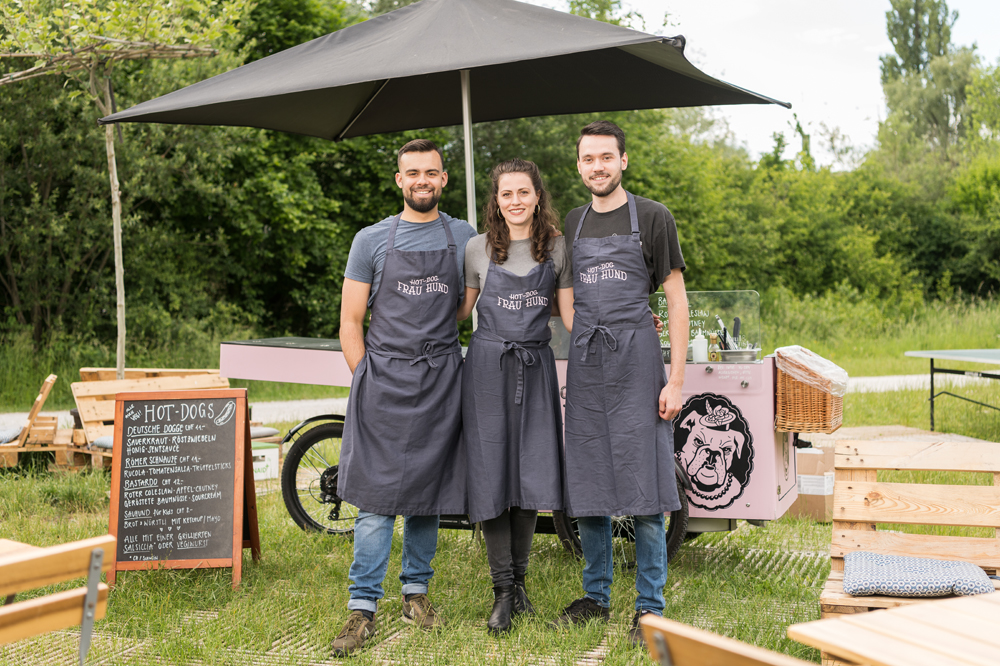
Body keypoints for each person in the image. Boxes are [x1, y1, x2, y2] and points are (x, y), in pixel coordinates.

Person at [332, 139, 477, 657]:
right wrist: (364, 378)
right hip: (383, 382)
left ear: (443, 179)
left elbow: (462, 310)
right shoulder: (370, 240)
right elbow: (350, 322)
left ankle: (416, 594)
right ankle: (362, 607)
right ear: (399, 180)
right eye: (412, 172)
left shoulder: (463, 236)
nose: (422, 180)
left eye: (431, 173)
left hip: (440, 381)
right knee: (374, 502)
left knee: (426, 497)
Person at [553, 120, 689, 647]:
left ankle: (649, 607)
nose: (597, 167)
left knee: (645, 487)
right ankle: (595, 596)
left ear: (623, 161)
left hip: (638, 367)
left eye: (606, 157)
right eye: (588, 159)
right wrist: (587, 332)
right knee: (588, 484)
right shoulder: (574, 222)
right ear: (580, 164)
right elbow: (569, 301)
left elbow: (676, 303)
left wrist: (675, 379)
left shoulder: (654, 218)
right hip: (588, 368)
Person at [457, 159, 574, 636]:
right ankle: (503, 591)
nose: (516, 201)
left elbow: (569, 315)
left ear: (538, 196)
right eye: (507, 194)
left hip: (535, 367)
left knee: (529, 475)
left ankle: (521, 586)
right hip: (487, 371)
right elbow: (460, 311)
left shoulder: (559, 249)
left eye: (524, 192)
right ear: (496, 201)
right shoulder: (476, 249)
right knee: (492, 478)